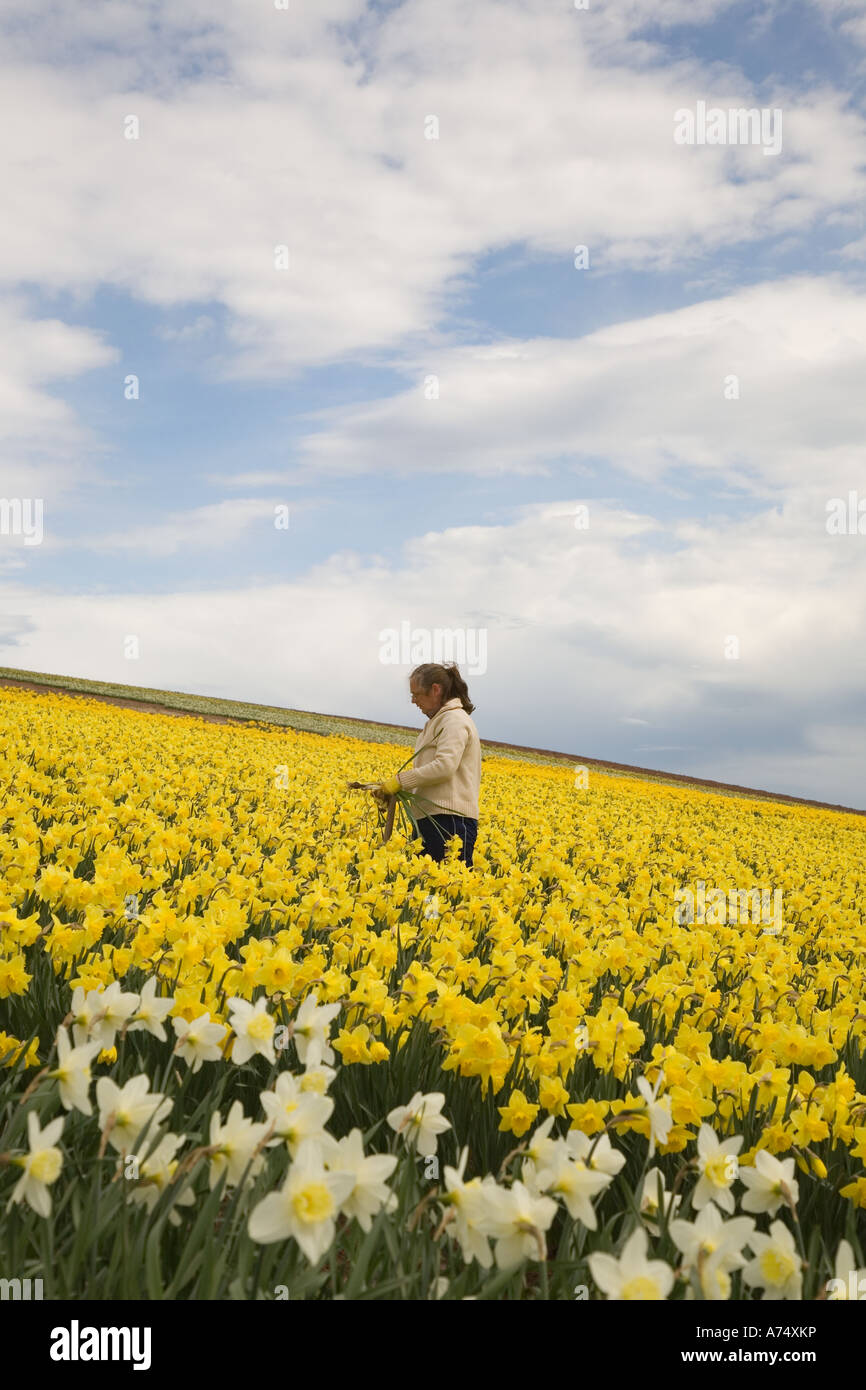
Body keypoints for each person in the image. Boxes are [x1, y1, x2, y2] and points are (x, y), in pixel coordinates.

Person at [375, 662, 481, 867]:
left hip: (449, 821)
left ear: (435, 689)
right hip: (432, 818)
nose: (413, 701)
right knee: (426, 890)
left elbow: (445, 766)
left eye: (416, 694)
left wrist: (400, 781)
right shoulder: (437, 721)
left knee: (440, 891)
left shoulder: (453, 720)